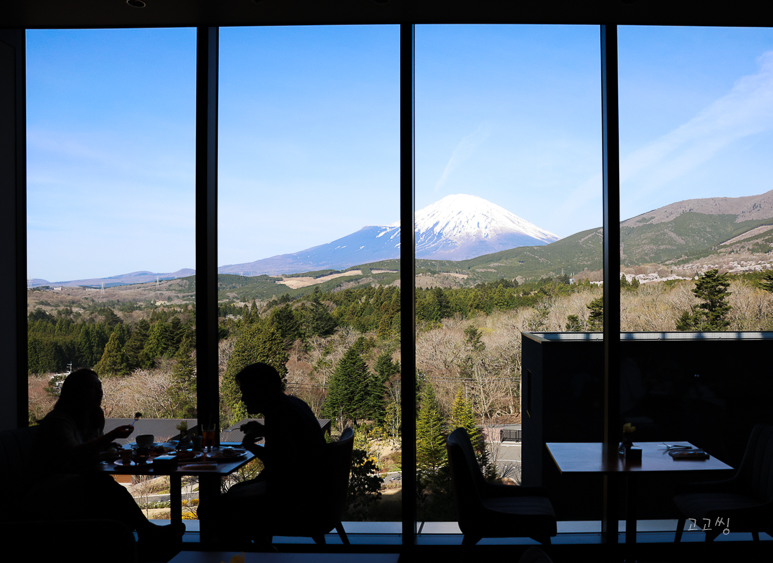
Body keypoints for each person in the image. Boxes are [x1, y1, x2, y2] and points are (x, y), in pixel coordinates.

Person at [24, 368, 183, 549]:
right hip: (49, 489)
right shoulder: (58, 421)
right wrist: (111, 436)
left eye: (100, 387)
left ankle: (142, 534)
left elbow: (90, 449)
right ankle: (144, 533)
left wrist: (109, 446)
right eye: (92, 387)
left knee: (105, 487)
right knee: (105, 487)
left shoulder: (92, 416)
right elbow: (74, 455)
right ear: (76, 392)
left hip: (76, 482)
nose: (99, 391)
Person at [198, 362, 326, 545]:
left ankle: (255, 552)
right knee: (235, 492)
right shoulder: (293, 404)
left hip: (293, 500)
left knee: (210, 509)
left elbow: (280, 465)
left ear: (260, 390)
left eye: (245, 392)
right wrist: (266, 430)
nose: (243, 399)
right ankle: (261, 547)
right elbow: (295, 440)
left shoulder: (279, 413)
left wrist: (250, 445)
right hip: (314, 492)